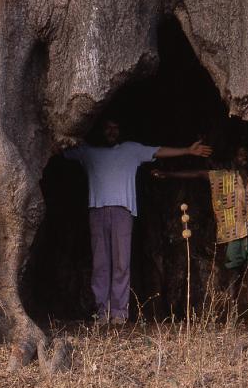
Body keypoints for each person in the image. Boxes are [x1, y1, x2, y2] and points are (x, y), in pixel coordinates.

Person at [64, 119, 212, 324]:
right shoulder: (88, 152)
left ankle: (119, 313)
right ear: (101, 130)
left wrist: (188, 150)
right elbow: (58, 147)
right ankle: (102, 312)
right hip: (97, 211)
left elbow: (159, 151)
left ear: (120, 131)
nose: (111, 131)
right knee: (100, 264)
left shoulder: (131, 150)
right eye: (108, 127)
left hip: (123, 212)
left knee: (121, 263)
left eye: (115, 127)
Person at [152, 145, 248, 328]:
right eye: (240, 154)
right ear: (235, 159)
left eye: (246, 154)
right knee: (235, 277)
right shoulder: (225, 178)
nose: (243, 157)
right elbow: (199, 174)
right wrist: (169, 175)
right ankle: (232, 320)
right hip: (234, 234)